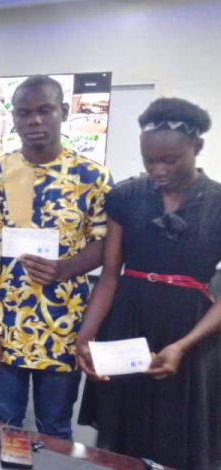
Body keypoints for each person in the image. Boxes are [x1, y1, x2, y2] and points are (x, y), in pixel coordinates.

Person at [77, 98, 221, 469]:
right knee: (120, 433)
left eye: (169, 160)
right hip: (127, 322)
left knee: (179, 436)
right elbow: (111, 274)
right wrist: (86, 335)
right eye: (148, 160)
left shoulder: (218, 202)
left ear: (197, 147)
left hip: (191, 332)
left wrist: (183, 346)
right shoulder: (125, 196)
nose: (157, 169)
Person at [0, 75, 111, 440]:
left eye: (45, 110)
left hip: (65, 324)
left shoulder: (92, 177)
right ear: (14, 117)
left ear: (63, 112)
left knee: (56, 428)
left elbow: (106, 245)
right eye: (24, 112)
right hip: (5, 323)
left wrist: (64, 269)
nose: (34, 121)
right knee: (2, 424)